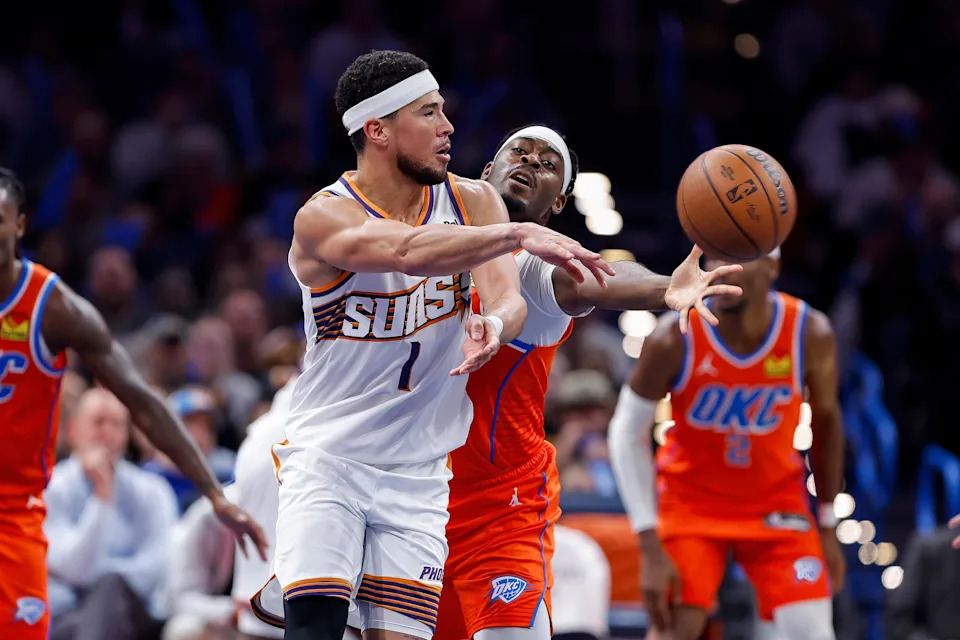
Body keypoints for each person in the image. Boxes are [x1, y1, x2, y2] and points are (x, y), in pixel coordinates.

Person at [250, 51, 613, 640]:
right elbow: (404, 251)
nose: (449, 126)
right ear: (379, 129)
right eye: (430, 112)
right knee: (316, 628)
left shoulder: (476, 202)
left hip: (418, 474)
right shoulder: (322, 216)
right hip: (330, 458)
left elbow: (508, 294)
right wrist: (519, 230)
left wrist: (494, 323)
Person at [434, 125, 741, 640]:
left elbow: (599, 278)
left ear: (557, 206)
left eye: (548, 164)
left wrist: (667, 288)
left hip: (497, 510)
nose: (531, 163)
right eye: (520, 153)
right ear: (486, 173)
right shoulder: (426, 241)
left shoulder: (534, 266)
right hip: (407, 496)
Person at [0, 167, 267, 640]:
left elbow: (143, 403)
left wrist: (210, 491)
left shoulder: (53, 306)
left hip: (13, 513)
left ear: (18, 224)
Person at [607, 250, 847, 640]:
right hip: (690, 508)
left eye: (737, 256)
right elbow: (624, 431)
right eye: (713, 255)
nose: (720, 269)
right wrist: (649, 542)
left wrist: (828, 523)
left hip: (778, 510)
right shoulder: (673, 334)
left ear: (772, 266)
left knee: (812, 629)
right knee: (674, 629)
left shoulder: (809, 331)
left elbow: (828, 423)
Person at [45, 388, 178, 640]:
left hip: (134, 612)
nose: (108, 433)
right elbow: (70, 565)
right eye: (98, 422)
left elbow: (156, 567)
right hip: (68, 614)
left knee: (111, 588)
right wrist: (102, 497)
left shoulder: (152, 491)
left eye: (117, 424)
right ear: (73, 431)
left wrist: (103, 578)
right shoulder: (51, 488)